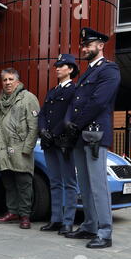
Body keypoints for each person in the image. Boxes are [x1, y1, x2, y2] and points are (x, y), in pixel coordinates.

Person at [64, 28, 121, 249]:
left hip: (94, 133)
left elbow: (98, 102)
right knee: (85, 185)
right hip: (81, 136)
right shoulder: (88, 72)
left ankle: (105, 233)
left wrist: (75, 124)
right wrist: (70, 125)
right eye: (83, 45)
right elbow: (75, 102)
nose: (84, 48)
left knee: (98, 185)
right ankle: (89, 226)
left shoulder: (109, 70)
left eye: (88, 45)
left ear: (100, 46)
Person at [0, 68, 40, 229]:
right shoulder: (0, 101)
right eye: (5, 80)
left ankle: (25, 215)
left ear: (18, 81)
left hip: (20, 149)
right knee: (8, 182)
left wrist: (27, 148)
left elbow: (34, 126)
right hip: (3, 148)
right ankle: (12, 211)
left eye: (10, 79)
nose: (7, 82)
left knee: (24, 183)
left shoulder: (28, 98)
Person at [38, 54, 79, 235]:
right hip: (50, 142)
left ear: (70, 69)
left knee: (69, 183)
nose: (57, 68)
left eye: (61, 66)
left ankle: (68, 222)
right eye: (57, 66)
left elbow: (69, 116)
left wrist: (52, 134)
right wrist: (42, 131)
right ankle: (56, 219)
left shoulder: (74, 90)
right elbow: (42, 114)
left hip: (63, 142)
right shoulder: (52, 91)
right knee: (55, 182)